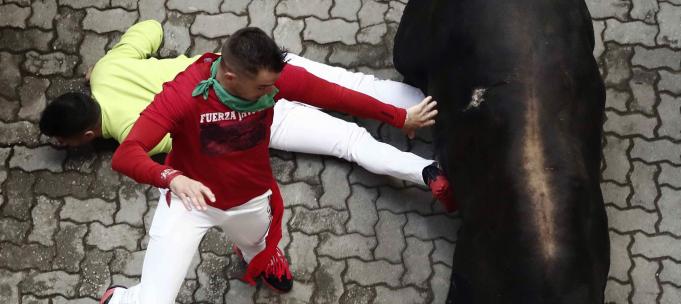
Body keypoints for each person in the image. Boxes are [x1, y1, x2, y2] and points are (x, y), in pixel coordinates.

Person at [72, 26, 438, 304]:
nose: (274, 92)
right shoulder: (184, 95)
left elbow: (335, 95)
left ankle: (258, 261)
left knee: (258, 246)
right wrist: (173, 179)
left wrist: (399, 116)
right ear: (230, 76)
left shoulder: (272, 79)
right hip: (188, 202)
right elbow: (126, 154)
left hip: (249, 197)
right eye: (264, 88)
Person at [39, 20, 454, 207]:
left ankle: (427, 172)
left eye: (66, 141)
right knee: (357, 87)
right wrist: (103, 64)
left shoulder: (130, 128)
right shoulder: (110, 67)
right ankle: (449, 104)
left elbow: (175, 142)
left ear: (87, 135)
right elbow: (151, 28)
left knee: (348, 142)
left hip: (257, 123)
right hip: (259, 77)